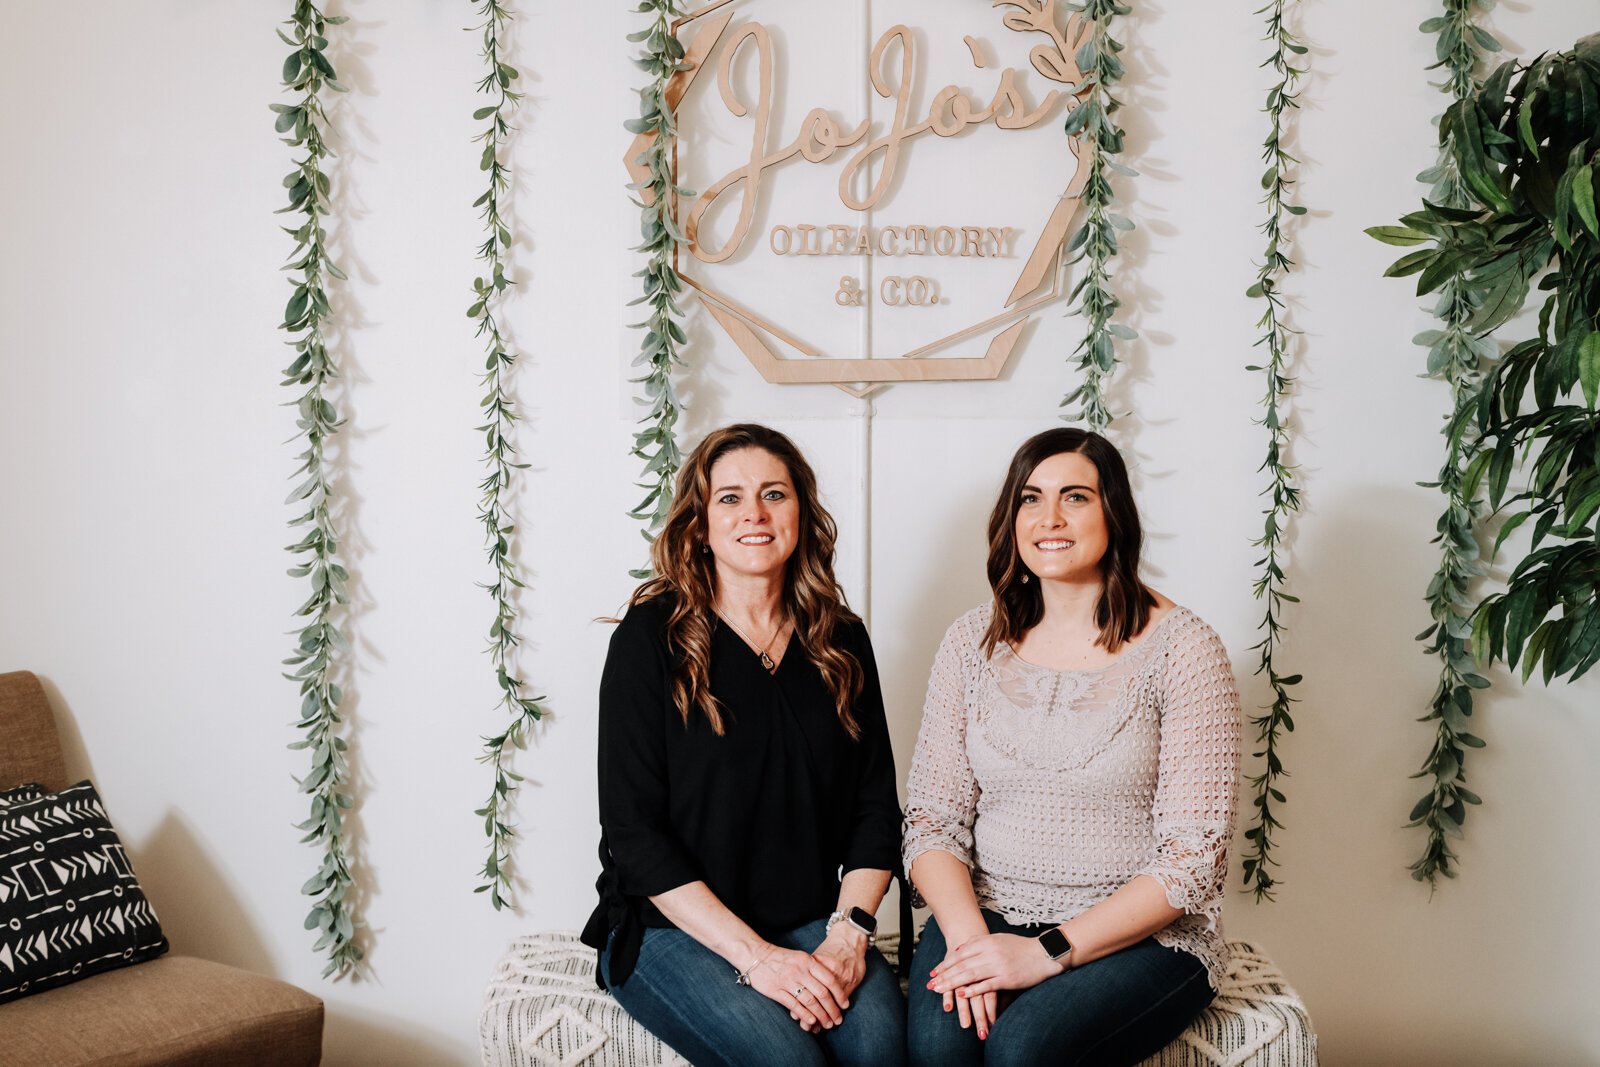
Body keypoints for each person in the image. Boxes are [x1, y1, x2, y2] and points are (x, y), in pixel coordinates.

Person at [903, 427, 1242, 1067]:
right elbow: (931, 821)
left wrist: (1045, 951)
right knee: (936, 1049)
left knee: (1022, 1049)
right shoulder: (970, 642)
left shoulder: (1185, 650)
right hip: (987, 913)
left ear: (1115, 511)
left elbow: (1193, 860)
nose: (1049, 518)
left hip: (1144, 938)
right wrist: (972, 939)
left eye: (1076, 498)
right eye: (1030, 499)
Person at [581, 423, 907, 1067]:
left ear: (802, 514)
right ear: (700, 523)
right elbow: (633, 832)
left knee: (880, 1050)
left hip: (811, 918)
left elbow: (875, 811)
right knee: (790, 1062)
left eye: (774, 495)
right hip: (670, 930)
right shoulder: (651, 639)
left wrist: (849, 935)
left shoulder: (841, 640)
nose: (753, 514)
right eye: (729, 498)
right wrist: (756, 958)